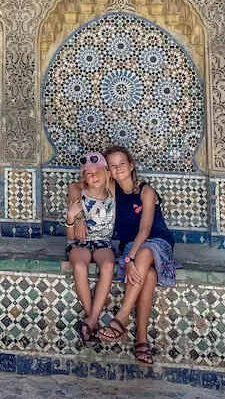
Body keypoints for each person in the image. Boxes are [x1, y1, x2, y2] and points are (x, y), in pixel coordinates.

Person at [97, 145, 177, 366]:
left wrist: (129, 259)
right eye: (112, 166)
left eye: (122, 163)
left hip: (157, 243)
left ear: (131, 165)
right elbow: (80, 185)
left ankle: (120, 318)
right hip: (133, 248)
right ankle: (141, 340)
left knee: (144, 253)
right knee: (148, 276)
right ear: (108, 170)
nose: (118, 168)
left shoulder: (146, 191)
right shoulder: (112, 190)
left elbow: (145, 230)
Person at [63, 150, 118, 343]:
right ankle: (92, 317)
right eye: (88, 173)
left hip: (103, 242)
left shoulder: (112, 189)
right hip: (79, 243)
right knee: (79, 266)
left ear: (106, 173)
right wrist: (74, 218)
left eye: (97, 171)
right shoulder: (78, 192)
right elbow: (71, 236)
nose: (93, 176)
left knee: (108, 266)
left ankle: (90, 321)